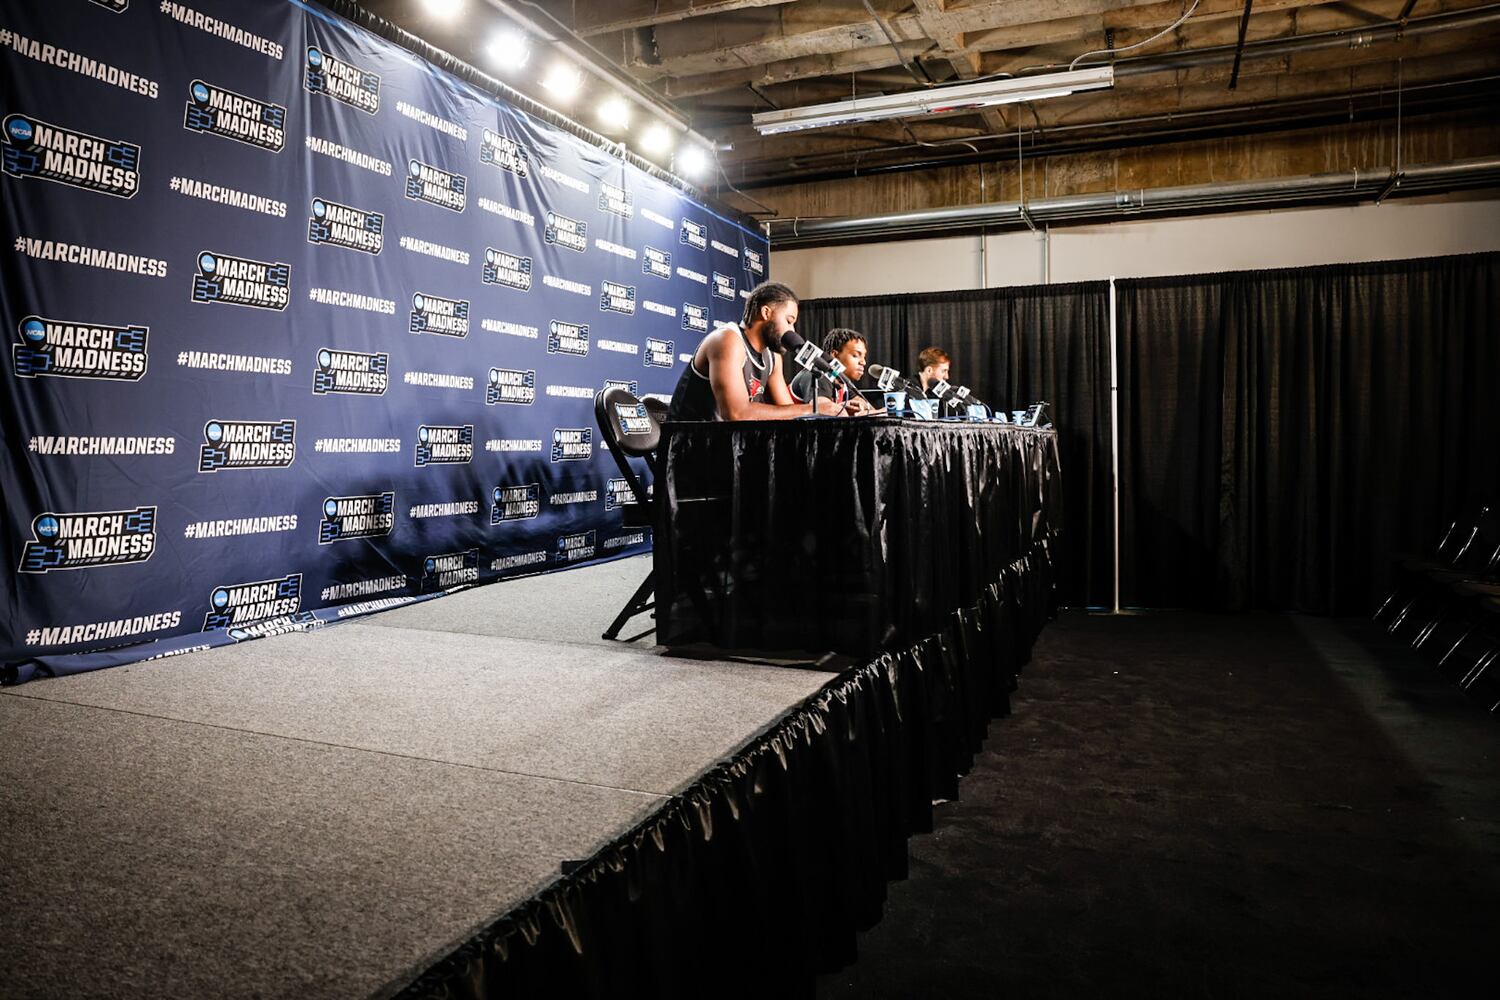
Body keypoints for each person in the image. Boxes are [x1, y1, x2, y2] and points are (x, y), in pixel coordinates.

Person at [668, 282, 872, 421]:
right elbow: (736, 414)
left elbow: (788, 411)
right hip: (690, 451)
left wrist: (838, 412)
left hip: (729, 448)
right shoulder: (727, 340)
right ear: (766, 312)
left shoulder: (773, 356)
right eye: (789, 321)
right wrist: (814, 408)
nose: (792, 331)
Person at [788, 328, 867, 408]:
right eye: (855, 355)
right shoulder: (819, 375)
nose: (863, 362)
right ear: (835, 355)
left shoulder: (841, 381)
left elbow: (864, 404)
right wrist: (843, 409)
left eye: (864, 356)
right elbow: (825, 410)